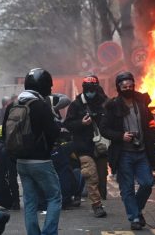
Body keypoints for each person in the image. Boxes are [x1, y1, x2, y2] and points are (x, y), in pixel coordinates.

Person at [3, 68, 61, 235]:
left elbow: (6, 134)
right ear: (42, 86)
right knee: (54, 197)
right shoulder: (40, 105)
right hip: (41, 161)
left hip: (20, 162)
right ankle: (49, 233)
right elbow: (52, 132)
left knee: (29, 202)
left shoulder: (12, 106)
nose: (50, 90)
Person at [99, 72, 155, 231]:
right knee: (127, 189)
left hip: (142, 152)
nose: (128, 89)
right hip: (123, 154)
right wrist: (120, 136)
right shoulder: (112, 106)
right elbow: (104, 129)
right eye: (124, 87)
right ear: (118, 87)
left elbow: (151, 123)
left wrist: (151, 137)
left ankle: (136, 210)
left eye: (131, 86)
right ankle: (135, 218)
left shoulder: (141, 102)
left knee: (147, 183)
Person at [64, 75, 108, 218]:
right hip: (83, 147)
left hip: (101, 147)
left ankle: (98, 197)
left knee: (101, 178)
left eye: (92, 89)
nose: (90, 92)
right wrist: (81, 123)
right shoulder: (76, 105)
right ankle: (97, 205)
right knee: (91, 175)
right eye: (87, 89)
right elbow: (68, 124)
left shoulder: (104, 103)